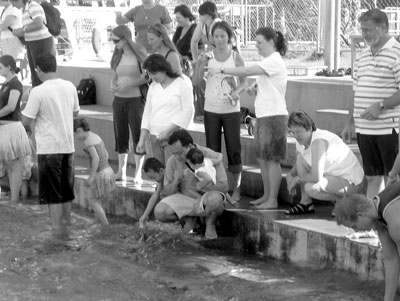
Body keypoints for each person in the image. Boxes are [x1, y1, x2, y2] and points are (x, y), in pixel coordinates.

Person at [208, 27, 288, 209]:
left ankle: (272, 199)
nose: (257, 46)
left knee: (272, 159)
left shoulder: (274, 60)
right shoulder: (268, 61)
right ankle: (267, 196)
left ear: (271, 42)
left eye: (259, 43)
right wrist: (253, 90)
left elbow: (249, 69)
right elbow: (261, 85)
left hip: (274, 115)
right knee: (262, 158)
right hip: (263, 115)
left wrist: (222, 69)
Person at [342, 9, 400, 199]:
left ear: (383, 28)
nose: (364, 35)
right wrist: (350, 122)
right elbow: (355, 90)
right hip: (364, 129)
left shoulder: (397, 53)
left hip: (388, 129)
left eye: (368, 30)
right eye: (362, 30)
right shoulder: (362, 55)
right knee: (373, 178)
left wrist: (381, 105)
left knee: (393, 179)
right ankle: (371, 223)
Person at [21, 53, 80, 239]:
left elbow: (25, 120)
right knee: (66, 191)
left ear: (38, 69)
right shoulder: (69, 86)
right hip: (68, 147)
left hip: (49, 149)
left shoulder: (38, 91)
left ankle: (56, 232)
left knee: (53, 194)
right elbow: (76, 112)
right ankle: (68, 228)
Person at [153, 129, 228, 239]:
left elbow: (225, 187)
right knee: (160, 211)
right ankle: (190, 219)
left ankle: (210, 223)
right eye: (173, 153)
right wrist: (175, 182)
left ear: (190, 146)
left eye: (179, 153)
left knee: (214, 201)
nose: (177, 156)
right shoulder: (172, 161)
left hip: (207, 198)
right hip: (186, 199)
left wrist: (204, 185)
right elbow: (166, 192)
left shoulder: (208, 155)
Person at [285, 111, 364, 215]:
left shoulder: (318, 141)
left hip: (351, 183)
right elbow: (304, 160)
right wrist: (290, 175)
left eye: (298, 132)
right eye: (292, 132)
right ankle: (305, 203)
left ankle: (345, 204)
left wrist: (297, 179)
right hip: (332, 177)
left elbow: (315, 177)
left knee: (310, 188)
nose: (295, 135)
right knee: (300, 157)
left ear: (309, 129)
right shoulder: (302, 141)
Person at [202, 21, 246, 203]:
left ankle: (236, 189)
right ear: (211, 38)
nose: (219, 40)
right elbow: (197, 80)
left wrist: (235, 93)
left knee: (234, 150)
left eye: (223, 36)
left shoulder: (236, 57)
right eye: (216, 36)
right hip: (211, 109)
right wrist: (198, 65)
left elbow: (244, 82)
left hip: (231, 111)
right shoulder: (207, 56)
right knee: (212, 151)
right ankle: (218, 188)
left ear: (229, 37)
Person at [333, 182, 400, 301]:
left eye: (354, 225)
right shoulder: (378, 218)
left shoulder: (394, 222)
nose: (356, 230)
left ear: (361, 215)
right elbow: (391, 259)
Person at [136, 54, 194, 165]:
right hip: (154, 136)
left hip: (175, 136)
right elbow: (147, 113)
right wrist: (142, 139)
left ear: (163, 69)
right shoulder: (153, 86)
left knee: (173, 172)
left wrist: (168, 131)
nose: (151, 77)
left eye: (154, 73)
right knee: (159, 173)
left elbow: (188, 110)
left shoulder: (182, 83)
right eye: (149, 74)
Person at [110, 25, 148, 183]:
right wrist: (112, 83)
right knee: (120, 135)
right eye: (112, 40)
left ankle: (138, 173)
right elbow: (114, 73)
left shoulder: (140, 54)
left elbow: (147, 76)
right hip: (119, 99)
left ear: (125, 39)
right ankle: (121, 171)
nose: (114, 43)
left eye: (116, 40)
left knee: (138, 135)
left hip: (135, 100)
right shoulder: (117, 54)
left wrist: (131, 84)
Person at [74, 117, 116, 225]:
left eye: (75, 135)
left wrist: (92, 176)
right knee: (97, 200)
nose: (76, 137)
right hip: (108, 170)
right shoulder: (95, 136)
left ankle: (106, 225)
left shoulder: (88, 141)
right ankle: (99, 222)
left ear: (79, 130)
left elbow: (96, 159)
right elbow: (106, 154)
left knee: (92, 200)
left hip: (100, 173)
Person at [0, 55, 30, 202]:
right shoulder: (5, 84)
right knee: (9, 164)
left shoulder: (15, 84)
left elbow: (11, 106)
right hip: (5, 128)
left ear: (9, 67)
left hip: (12, 128)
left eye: (1, 66)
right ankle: (13, 199)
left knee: (14, 165)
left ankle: (14, 200)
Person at [11, 0, 55, 87]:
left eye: (13, 2)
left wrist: (22, 31)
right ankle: (36, 92)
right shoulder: (25, 9)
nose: (12, 5)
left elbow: (39, 23)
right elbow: (31, 25)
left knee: (41, 70)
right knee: (34, 70)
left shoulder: (32, 6)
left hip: (41, 42)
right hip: (32, 42)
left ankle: (42, 93)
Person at [190, 1, 221, 122]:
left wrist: (206, 57)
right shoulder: (202, 24)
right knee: (197, 78)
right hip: (209, 55)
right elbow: (194, 41)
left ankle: (206, 112)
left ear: (208, 14)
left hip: (220, 55)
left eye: (201, 14)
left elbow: (223, 45)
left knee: (202, 78)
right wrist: (195, 60)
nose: (199, 17)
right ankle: (201, 112)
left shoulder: (217, 24)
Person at [138, 157, 165, 228]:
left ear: (161, 171)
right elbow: (154, 196)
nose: (155, 180)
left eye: (154, 177)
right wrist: (145, 214)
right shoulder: (161, 180)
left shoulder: (168, 177)